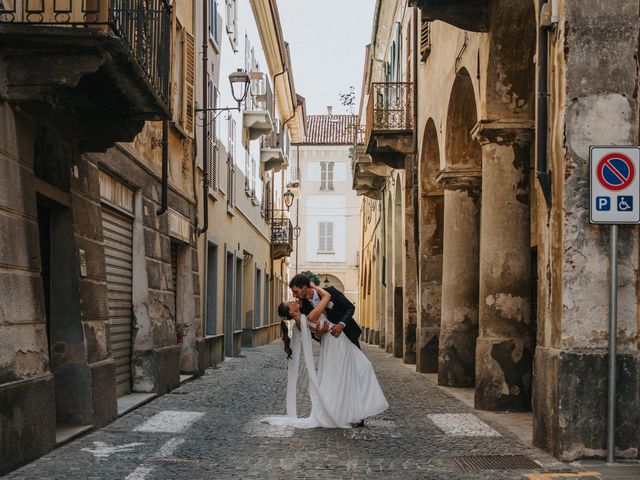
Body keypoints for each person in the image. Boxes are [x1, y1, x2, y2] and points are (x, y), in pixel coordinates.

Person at [262, 285, 388, 429]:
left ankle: (356, 412)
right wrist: (313, 285)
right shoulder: (305, 318)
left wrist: (320, 332)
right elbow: (325, 302)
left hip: (342, 342)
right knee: (354, 373)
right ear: (291, 311)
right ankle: (352, 413)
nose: (293, 299)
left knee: (359, 371)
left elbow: (317, 330)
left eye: (293, 296)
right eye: (290, 303)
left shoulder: (303, 317)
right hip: (336, 345)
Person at [289, 274, 362, 349]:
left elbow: (350, 307)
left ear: (304, 288)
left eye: (295, 291)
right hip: (329, 344)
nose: (294, 295)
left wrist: (341, 324)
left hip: (348, 334)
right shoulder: (302, 307)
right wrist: (318, 335)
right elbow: (309, 331)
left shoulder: (330, 291)